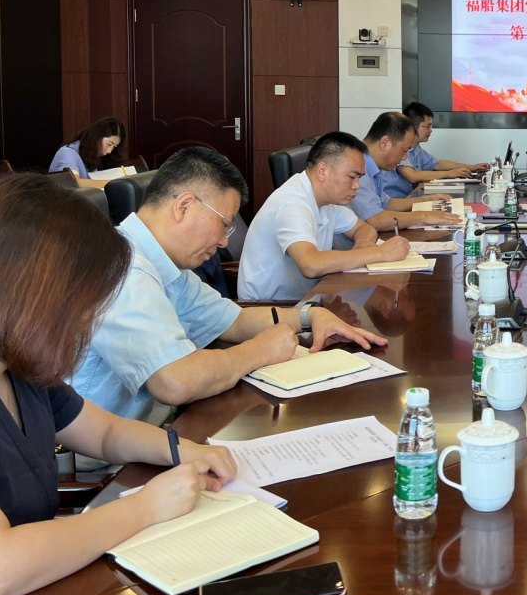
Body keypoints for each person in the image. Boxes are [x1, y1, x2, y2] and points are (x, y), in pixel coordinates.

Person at [0, 175, 237, 595]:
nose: (88, 318)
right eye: (84, 301)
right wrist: (145, 508)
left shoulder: (14, 362)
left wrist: (183, 450)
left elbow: (104, 433)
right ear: (27, 290)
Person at [71, 146, 386, 425]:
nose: (224, 241)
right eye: (224, 224)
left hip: (156, 427)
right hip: (108, 461)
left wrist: (309, 316)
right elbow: (174, 381)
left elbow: (232, 320)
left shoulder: (166, 265)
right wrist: (259, 351)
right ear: (184, 206)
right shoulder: (124, 269)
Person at [238, 132, 410, 301]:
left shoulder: (327, 200)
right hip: (271, 308)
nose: (357, 185)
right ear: (322, 171)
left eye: (359, 178)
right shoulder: (291, 203)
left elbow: (363, 228)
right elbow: (310, 265)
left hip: (309, 298)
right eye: (352, 177)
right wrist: (379, 253)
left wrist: (363, 243)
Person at [351, 112, 463, 232]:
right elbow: (375, 220)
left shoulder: (373, 166)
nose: (405, 158)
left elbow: (387, 203)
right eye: (404, 150)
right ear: (385, 143)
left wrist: (427, 199)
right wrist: (424, 216)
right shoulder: (357, 167)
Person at [379, 102, 487, 199]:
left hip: (407, 197)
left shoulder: (417, 149)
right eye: (427, 126)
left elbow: (437, 163)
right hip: (394, 202)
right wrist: (449, 174)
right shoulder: (401, 148)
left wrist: (470, 167)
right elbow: (412, 176)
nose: (430, 131)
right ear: (412, 127)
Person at [48, 116, 126, 188]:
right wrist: (114, 183)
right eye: (109, 144)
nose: (109, 151)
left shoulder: (92, 157)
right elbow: (74, 182)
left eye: (114, 147)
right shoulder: (67, 153)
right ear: (97, 136)